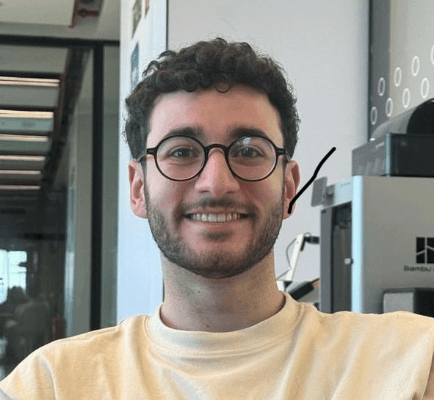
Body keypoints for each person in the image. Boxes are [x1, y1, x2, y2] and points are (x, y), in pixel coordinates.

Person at [1, 37, 433, 399]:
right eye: (182, 151)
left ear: (288, 187)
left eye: (247, 150)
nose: (216, 183)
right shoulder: (51, 385)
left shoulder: (410, 361)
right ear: (138, 187)